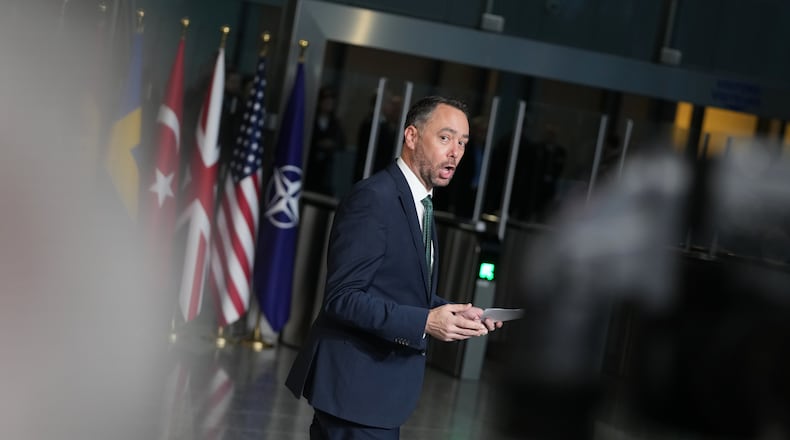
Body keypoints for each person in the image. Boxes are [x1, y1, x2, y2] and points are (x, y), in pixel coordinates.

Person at [286, 96, 503, 439]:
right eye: (445, 138)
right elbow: (342, 297)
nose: (456, 152)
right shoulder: (374, 198)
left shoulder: (422, 204)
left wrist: (454, 311)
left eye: (462, 142)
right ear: (412, 136)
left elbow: (399, 288)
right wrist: (425, 322)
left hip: (377, 395)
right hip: (356, 391)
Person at [305, 86, 346, 195]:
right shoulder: (311, 119)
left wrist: (331, 144)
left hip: (326, 171)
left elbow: (342, 144)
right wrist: (318, 144)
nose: (328, 104)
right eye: (325, 101)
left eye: (330, 102)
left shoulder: (335, 123)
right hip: (309, 167)